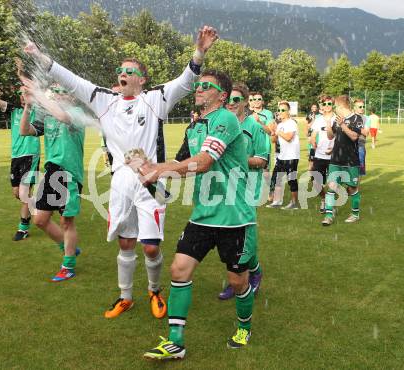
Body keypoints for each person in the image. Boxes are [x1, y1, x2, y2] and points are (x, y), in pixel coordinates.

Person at [24, 26, 219, 319]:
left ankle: (154, 291)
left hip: (150, 182)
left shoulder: (155, 99)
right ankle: (125, 296)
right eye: (120, 69)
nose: (122, 73)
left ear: (142, 79)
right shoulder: (104, 100)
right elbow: (71, 80)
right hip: (121, 184)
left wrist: (200, 52)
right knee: (125, 243)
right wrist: (40, 56)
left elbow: (186, 80)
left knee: (151, 248)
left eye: (129, 70)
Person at [140, 70, 257, 360]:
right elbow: (180, 163)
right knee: (179, 270)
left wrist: (161, 171)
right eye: (198, 85)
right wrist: (148, 167)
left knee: (237, 283)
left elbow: (203, 162)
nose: (199, 89)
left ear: (222, 96)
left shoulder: (226, 119)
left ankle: (244, 326)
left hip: (235, 218)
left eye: (207, 86)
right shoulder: (194, 128)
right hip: (202, 216)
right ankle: (175, 342)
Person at [20, 81, 85, 281]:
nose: (56, 94)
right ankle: (69, 249)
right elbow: (25, 131)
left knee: (67, 221)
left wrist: (39, 95)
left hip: (68, 173)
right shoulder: (48, 115)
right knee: (40, 220)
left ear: (71, 96)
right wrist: (28, 106)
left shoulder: (76, 112)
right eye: (54, 91)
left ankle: (68, 265)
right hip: (51, 171)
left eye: (61, 91)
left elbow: (63, 116)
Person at [218, 82, 269, 300]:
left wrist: (238, 160)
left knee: (243, 238)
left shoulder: (254, 127)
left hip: (247, 189)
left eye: (236, 100)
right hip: (223, 187)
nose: (231, 103)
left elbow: (262, 159)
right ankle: (236, 279)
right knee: (227, 237)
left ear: (245, 102)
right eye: (228, 99)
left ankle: (254, 274)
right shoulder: (221, 124)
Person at [0, 62, 41, 241]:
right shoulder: (14, 110)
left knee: (24, 193)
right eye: (20, 93)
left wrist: (22, 74)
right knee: (18, 193)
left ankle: (23, 228)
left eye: (25, 92)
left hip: (30, 155)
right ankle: (37, 204)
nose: (22, 95)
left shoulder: (38, 110)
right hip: (15, 156)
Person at [322, 95, 363, 226]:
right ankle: (329, 215)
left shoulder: (357, 118)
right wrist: (328, 123)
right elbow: (330, 136)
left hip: (351, 161)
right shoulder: (337, 119)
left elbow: (354, 136)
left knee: (352, 188)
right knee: (331, 186)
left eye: (335, 106)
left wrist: (343, 125)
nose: (334, 109)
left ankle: (355, 214)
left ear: (341, 106)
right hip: (336, 159)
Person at [266, 101, 300, 210]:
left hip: (292, 156)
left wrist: (276, 130)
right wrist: (272, 132)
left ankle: (294, 203)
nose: (280, 112)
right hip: (281, 156)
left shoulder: (292, 123)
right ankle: (277, 201)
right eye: (279, 110)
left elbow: (289, 137)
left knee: (291, 180)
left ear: (288, 111)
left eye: (283, 110)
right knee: (276, 179)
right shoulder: (280, 125)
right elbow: (274, 140)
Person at [310, 96, 335, 213]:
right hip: (319, 155)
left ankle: (331, 205)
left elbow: (340, 137)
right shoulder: (319, 119)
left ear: (332, 104)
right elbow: (314, 134)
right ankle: (324, 199)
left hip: (334, 156)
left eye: (329, 103)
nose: (327, 106)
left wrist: (334, 148)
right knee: (315, 182)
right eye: (324, 104)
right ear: (322, 106)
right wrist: (313, 141)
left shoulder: (337, 118)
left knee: (332, 182)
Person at [353, 99, 370, 177]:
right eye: (360, 106)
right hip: (349, 146)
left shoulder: (366, 118)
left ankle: (356, 189)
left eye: (363, 106)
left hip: (360, 146)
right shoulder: (350, 117)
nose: (362, 108)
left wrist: (352, 127)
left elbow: (366, 132)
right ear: (354, 107)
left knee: (360, 169)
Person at [306, 103, 320, 171]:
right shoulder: (309, 114)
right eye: (313, 107)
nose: (314, 108)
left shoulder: (320, 115)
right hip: (311, 133)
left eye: (315, 107)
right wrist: (307, 133)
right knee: (311, 149)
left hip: (318, 135)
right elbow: (308, 125)